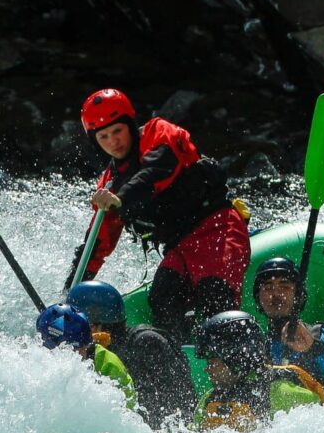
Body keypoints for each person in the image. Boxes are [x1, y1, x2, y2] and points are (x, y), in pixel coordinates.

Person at [75, 88, 249, 344]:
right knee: (163, 299)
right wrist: (73, 296)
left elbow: (158, 169)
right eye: (103, 136)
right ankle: (184, 362)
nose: (113, 141)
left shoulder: (160, 133)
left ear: (130, 125)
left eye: (117, 131)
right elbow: (97, 244)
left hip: (217, 228)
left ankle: (235, 359)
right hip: (179, 249)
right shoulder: (109, 183)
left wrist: (121, 198)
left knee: (215, 295)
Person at [68, 279, 197, 430]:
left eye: (78, 326)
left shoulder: (148, 342)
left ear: (95, 326)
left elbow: (182, 400)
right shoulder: (90, 352)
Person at [250, 257, 324, 409]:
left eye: (284, 287)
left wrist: (314, 348)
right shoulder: (256, 348)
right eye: (268, 288)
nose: (276, 294)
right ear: (258, 298)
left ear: (298, 296)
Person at [193, 310, 324, 432]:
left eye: (212, 362)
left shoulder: (281, 392)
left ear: (237, 360)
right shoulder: (209, 399)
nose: (207, 369)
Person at [36, 302, 135, 410]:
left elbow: (126, 412)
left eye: (81, 348)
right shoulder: (35, 360)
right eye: (73, 351)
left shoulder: (109, 367)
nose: (79, 354)